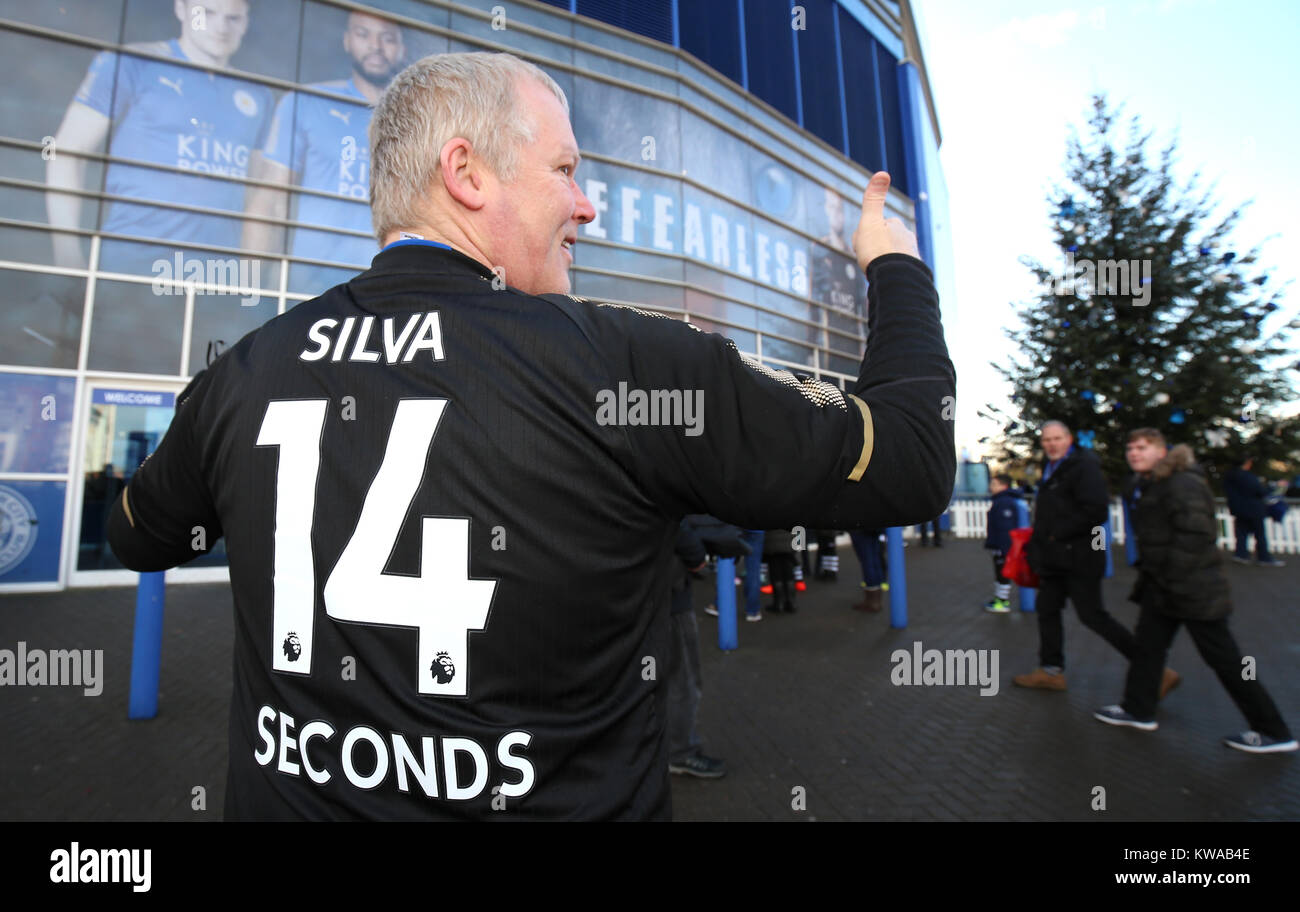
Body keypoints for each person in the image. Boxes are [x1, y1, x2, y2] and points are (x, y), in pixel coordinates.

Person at [106, 52, 955, 820]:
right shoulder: (625, 363)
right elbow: (912, 457)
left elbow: (137, 535)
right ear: (467, 173)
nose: (586, 206)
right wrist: (894, 268)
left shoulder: (246, 371)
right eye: (565, 169)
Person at [1094, 430, 1296, 753]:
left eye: (1142, 448)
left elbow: (1196, 536)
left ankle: (1273, 730)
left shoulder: (1181, 484)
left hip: (1192, 589)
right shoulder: (1150, 484)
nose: (1134, 453)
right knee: (1148, 650)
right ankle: (1138, 710)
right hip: (1162, 589)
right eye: (1130, 448)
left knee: (1226, 659)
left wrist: (1171, 574)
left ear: (1161, 452)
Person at [45, 0, 271, 272]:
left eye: (233, 18)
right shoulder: (133, 63)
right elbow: (66, 151)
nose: (220, 27)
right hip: (134, 267)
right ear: (181, 9)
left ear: (245, 22)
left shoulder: (259, 95)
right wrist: (66, 254)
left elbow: (256, 195)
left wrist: (251, 274)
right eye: (206, 13)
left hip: (217, 277)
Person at [243, 10, 407, 293]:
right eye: (363, 34)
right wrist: (250, 287)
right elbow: (270, 200)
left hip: (388, 290)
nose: (376, 46)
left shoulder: (419, 120)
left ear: (401, 49)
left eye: (387, 38)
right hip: (309, 291)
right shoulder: (307, 103)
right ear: (346, 41)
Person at [1014, 421, 1178, 696]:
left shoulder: (1083, 466)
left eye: (1057, 439)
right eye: (1046, 440)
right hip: (1054, 559)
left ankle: (1155, 670)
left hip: (1079, 558)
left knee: (1093, 616)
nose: (1051, 444)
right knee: (1047, 609)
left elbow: (1096, 510)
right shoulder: (1052, 466)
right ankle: (1050, 670)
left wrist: (1056, 534)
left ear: (1069, 439)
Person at [667, 516, 743, 778]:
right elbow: (672, 518)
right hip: (669, 592)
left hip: (640, 590)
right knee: (682, 679)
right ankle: (680, 752)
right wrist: (697, 557)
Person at [1224, 457, 1284, 567]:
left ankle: (1241, 555)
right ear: (1246, 463)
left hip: (1238, 509)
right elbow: (1260, 491)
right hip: (1254, 509)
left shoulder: (1229, 476)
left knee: (1241, 533)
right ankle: (1264, 557)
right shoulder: (1247, 477)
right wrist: (1273, 487)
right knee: (1260, 534)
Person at [982, 473, 1018, 612]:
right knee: (999, 573)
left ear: (1004, 486)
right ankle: (999, 598)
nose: (991, 487)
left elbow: (1005, 528)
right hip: (999, 545)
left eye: (994, 484)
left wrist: (1003, 548)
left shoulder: (1004, 502)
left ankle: (1002, 602)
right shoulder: (1000, 500)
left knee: (1003, 573)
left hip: (1002, 546)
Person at [848, 528, 885, 613]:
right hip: (874, 527)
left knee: (868, 561)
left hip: (861, 527)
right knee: (874, 559)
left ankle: (872, 602)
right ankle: (875, 600)